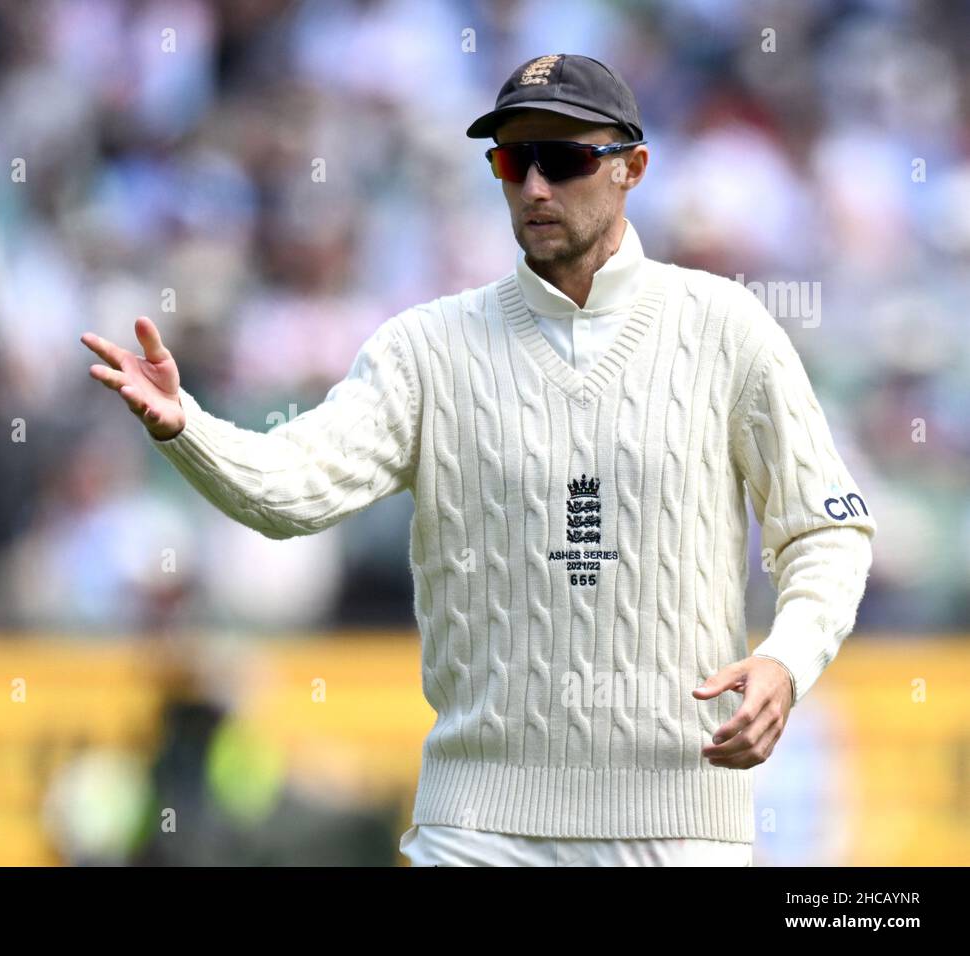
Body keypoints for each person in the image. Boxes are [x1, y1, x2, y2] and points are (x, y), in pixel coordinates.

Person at [80, 54, 877, 867]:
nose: (534, 187)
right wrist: (189, 429)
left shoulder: (728, 330)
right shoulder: (424, 349)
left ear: (633, 167)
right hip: (477, 833)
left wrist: (787, 657)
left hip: (679, 827)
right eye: (511, 159)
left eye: (563, 159)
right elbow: (294, 491)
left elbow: (827, 531)